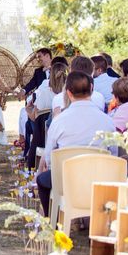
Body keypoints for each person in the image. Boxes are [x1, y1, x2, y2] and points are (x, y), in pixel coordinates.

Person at [36, 71, 115, 215]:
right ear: (91, 89)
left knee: (42, 179)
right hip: (99, 179)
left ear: (68, 93)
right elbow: (113, 154)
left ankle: (50, 218)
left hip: (66, 182)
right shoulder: (107, 120)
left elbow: (48, 157)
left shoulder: (59, 120)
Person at [27, 62, 68, 168]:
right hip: (64, 139)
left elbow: (34, 117)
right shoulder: (70, 95)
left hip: (41, 139)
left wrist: (28, 109)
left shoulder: (44, 93)